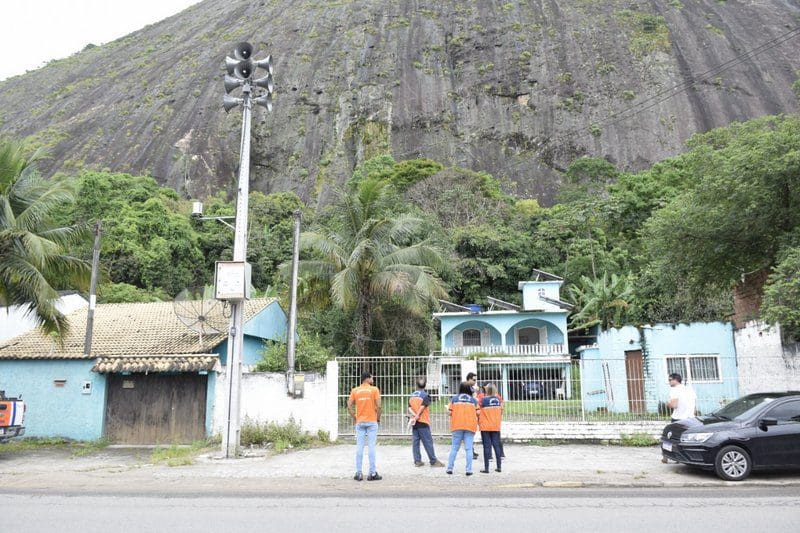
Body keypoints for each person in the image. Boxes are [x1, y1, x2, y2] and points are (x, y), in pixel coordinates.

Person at [347, 371, 382, 481]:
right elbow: (379, 406)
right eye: (372, 377)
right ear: (367, 379)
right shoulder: (374, 389)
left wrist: (354, 417)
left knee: (359, 447)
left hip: (360, 422)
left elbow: (349, 406)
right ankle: (372, 473)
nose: (373, 379)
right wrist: (378, 418)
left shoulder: (355, 390)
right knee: (371, 447)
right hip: (372, 421)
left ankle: (359, 473)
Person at [408, 376, 445, 467]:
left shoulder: (412, 395)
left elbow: (409, 408)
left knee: (415, 442)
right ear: (425, 385)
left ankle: (417, 461)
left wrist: (414, 417)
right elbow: (422, 407)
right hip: (423, 421)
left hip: (414, 422)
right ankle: (433, 461)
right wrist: (417, 416)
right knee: (428, 442)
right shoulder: (425, 395)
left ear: (416, 385)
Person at [446, 381, 480, 476]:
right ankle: (468, 470)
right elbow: (478, 413)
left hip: (457, 426)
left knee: (454, 448)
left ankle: (450, 468)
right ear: (470, 389)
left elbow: (449, 412)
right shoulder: (474, 400)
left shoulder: (454, 399)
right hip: (470, 426)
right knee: (469, 449)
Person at [662, 373, 696, 464]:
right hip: (690, 418)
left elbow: (674, 405)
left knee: (669, 437)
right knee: (684, 439)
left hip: (678, 418)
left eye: (670, 380)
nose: (669, 382)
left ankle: (666, 456)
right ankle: (682, 457)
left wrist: (667, 404)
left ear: (675, 380)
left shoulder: (674, 390)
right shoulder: (689, 389)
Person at [479, 383, 503, 473]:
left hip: (485, 426)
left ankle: (486, 468)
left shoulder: (483, 400)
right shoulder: (498, 400)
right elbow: (501, 410)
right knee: (496, 446)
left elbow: (478, 408)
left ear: (487, 390)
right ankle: (499, 467)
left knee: (486, 446)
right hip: (495, 425)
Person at [465, 372, 479, 460]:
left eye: (475, 380)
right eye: (474, 380)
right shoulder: (465, 388)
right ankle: (470, 452)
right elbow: (471, 399)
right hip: (467, 413)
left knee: (470, 434)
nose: (475, 381)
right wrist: (475, 393)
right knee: (468, 434)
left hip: (471, 413)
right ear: (469, 379)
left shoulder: (471, 388)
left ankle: (471, 450)